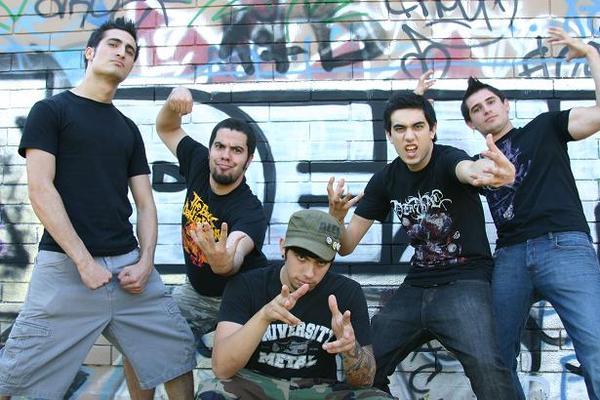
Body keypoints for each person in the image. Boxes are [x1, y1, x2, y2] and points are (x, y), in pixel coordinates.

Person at [0, 18, 195, 400]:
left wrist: (146, 262)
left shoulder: (127, 128)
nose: (122, 53)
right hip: (65, 269)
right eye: (114, 44)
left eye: (130, 51)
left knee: (176, 356)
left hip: (129, 270)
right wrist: (83, 261)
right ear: (90, 52)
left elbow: (145, 204)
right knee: (14, 374)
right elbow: (40, 189)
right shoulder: (51, 111)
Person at [327, 89, 519, 399]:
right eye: (400, 129)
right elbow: (346, 245)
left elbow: (468, 170)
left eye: (418, 127)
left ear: (432, 130)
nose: (409, 137)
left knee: (488, 368)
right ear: (389, 135)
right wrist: (336, 218)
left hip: (465, 282)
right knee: (363, 368)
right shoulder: (385, 180)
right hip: (416, 287)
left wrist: (488, 173)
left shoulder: (448, 159)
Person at [460, 27, 600, 399]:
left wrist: (591, 53)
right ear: (471, 124)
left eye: (491, 102)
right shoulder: (478, 164)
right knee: (497, 359)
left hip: (564, 246)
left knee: (596, 349)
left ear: (505, 104)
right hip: (510, 258)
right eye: (477, 109)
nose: (486, 110)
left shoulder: (545, 127)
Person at [197, 209, 393, 399]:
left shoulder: (346, 293)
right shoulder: (246, 285)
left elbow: (365, 382)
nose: (309, 273)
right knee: (213, 392)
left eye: (321, 263)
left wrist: (351, 349)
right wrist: (264, 316)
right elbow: (222, 369)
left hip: (318, 390)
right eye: (301, 258)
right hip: (256, 387)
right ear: (283, 248)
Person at [155, 86, 268, 354]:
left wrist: (223, 261)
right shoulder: (198, 162)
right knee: (148, 341)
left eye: (236, 150)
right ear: (210, 150)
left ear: (248, 160)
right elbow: (167, 128)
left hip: (241, 299)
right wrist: (173, 101)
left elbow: (234, 254)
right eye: (220, 146)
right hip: (195, 293)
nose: (226, 155)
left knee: (230, 364)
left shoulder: (250, 210)